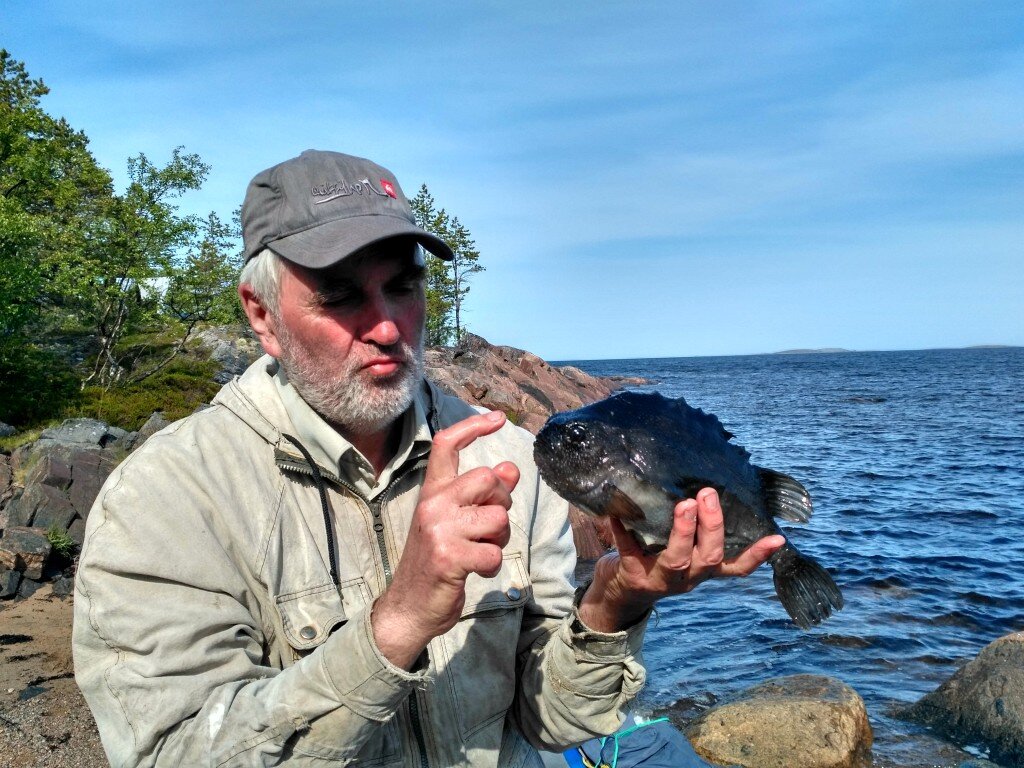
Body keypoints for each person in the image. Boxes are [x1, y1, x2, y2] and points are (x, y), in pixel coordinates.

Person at [72, 150, 784, 767]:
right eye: (341, 296)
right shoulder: (164, 500)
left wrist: (615, 601)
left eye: (404, 287)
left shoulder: (503, 454)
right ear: (262, 315)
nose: (386, 325)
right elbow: (175, 750)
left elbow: (547, 722)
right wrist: (400, 620)